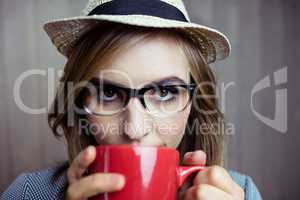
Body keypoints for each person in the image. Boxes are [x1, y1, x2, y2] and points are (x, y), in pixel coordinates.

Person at [1, 0, 262, 199]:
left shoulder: (241, 193)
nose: (135, 130)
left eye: (164, 92)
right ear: (79, 104)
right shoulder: (26, 193)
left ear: (194, 103)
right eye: (110, 93)